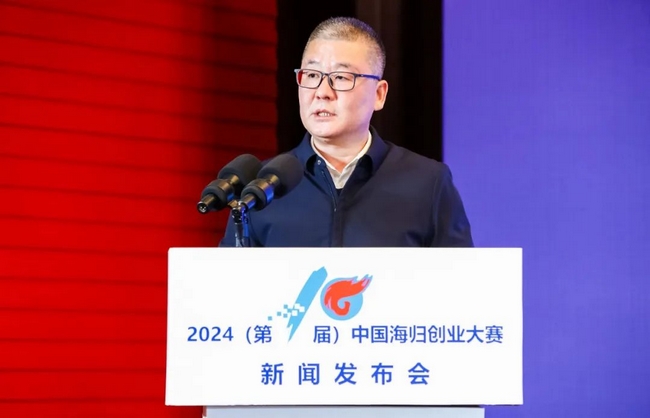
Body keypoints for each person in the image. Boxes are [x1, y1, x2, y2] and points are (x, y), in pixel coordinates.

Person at [220, 16, 473, 247]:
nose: (322, 92)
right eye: (312, 75)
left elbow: (461, 279)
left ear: (379, 94)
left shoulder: (428, 183)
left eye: (341, 77)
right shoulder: (261, 190)